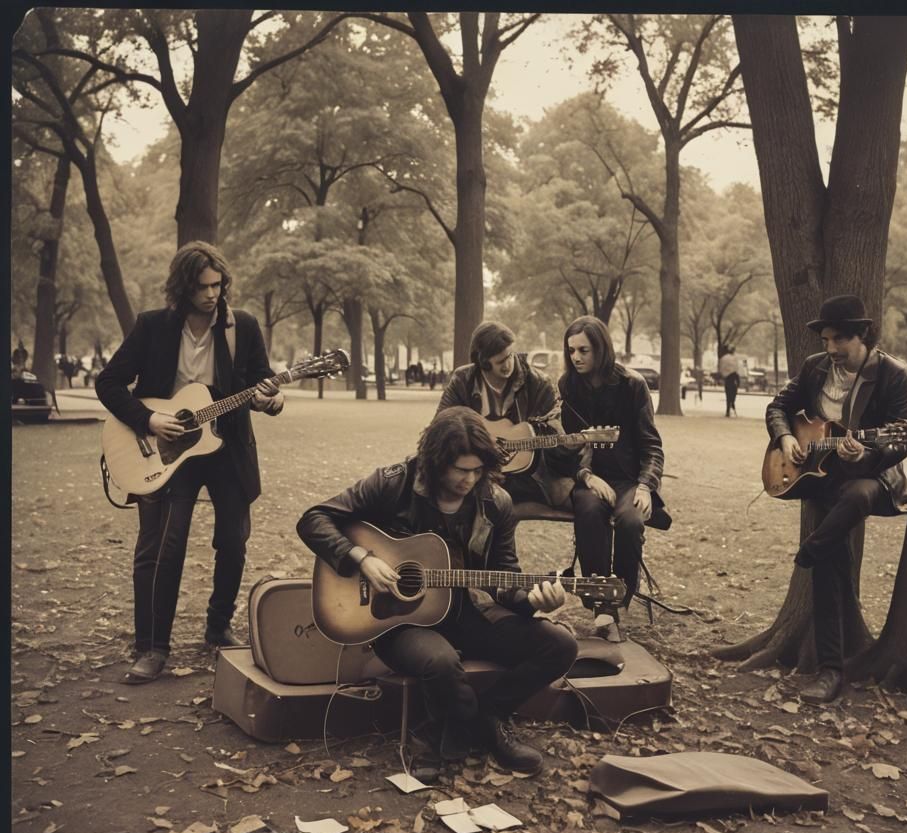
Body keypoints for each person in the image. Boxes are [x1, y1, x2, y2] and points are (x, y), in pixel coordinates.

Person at [296, 406, 577, 775]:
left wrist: (533, 601)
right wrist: (362, 559)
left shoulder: (496, 503)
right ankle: (448, 731)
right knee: (441, 662)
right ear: (436, 461)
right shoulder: (394, 483)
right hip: (396, 618)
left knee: (560, 645)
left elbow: (503, 576)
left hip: (466, 611)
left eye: (478, 470)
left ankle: (488, 716)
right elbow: (313, 519)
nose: (470, 479)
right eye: (461, 470)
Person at [96, 241, 284, 683]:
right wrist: (149, 419)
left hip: (228, 448)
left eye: (218, 285)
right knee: (164, 547)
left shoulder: (244, 327)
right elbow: (108, 383)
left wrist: (271, 402)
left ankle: (218, 626)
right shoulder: (153, 327)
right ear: (183, 288)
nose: (212, 294)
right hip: (168, 449)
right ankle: (152, 648)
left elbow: (261, 384)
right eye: (202, 286)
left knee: (233, 542)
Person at [766, 294, 907, 704]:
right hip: (819, 476)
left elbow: (901, 439)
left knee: (857, 496)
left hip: (870, 476)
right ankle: (831, 669)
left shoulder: (894, 375)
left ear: (862, 335)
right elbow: (779, 406)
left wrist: (866, 452)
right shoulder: (815, 367)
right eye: (827, 340)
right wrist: (785, 436)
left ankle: (811, 549)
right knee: (834, 550)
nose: (831, 349)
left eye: (839, 341)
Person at [558, 315, 669, 643]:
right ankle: (601, 607)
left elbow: (652, 444)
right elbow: (562, 446)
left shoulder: (632, 385)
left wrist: (647, 486)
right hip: (588, 478)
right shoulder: (567, 387)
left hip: (628, 479)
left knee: (631, 520)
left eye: (584, 350)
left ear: (601, 350)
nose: (576, 357)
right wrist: (585, 475)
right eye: (572, 351)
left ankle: (619, 598)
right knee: (590, 511)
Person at [436, 320, 577, 507]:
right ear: (483, 362)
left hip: (527, 476)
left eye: (510, 355)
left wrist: (564, 440)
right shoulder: (463, 379)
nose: (509, 364)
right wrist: (480, 458)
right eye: (500, 361)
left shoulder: (539, 383)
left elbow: (555, 435)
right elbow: (440, 426)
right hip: (472, 469)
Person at [719, 346, 740, 417]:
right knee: (733, 395)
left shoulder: (723, 358)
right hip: (734, 378)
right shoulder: (735, 358)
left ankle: (728, 410)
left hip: (727, 379)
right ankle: (732, 407)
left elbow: (721, 369)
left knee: (728, 395)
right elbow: (737, 369)